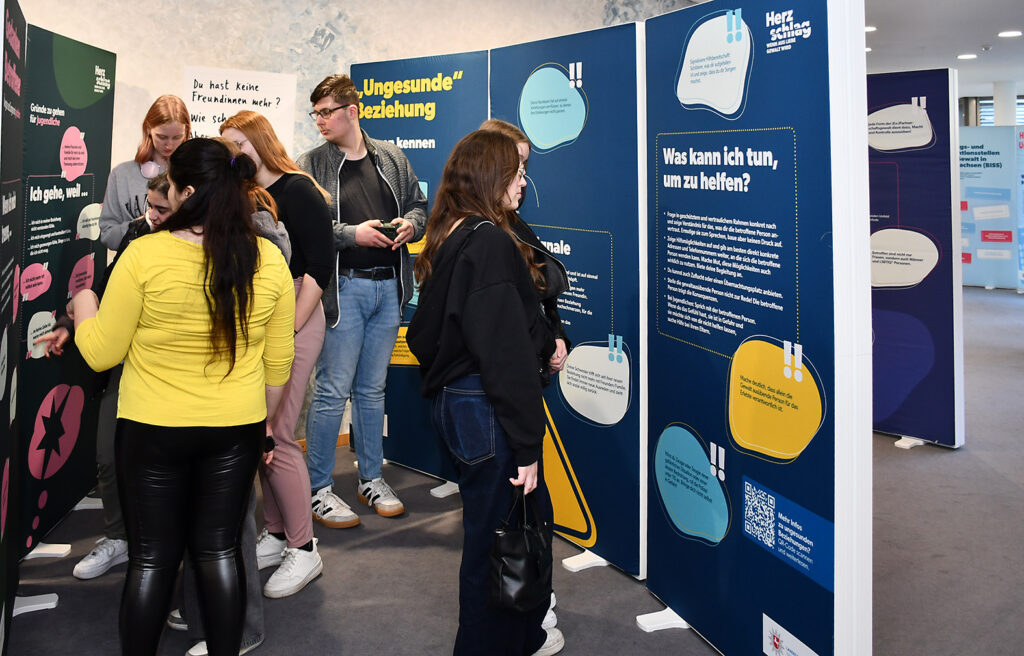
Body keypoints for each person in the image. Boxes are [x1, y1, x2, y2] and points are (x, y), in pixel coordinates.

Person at [73, 138, 295, 656]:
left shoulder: (145, 255)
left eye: (171, 184)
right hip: (235, 430)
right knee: (219, 553)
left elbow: (101, 353)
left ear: (188, 192)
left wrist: (84, 302)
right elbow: (278, 365)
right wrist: (263, 426)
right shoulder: (268, 259)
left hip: (151, 430)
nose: (166, 193)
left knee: (152, 560)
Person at [406, 130, 564, 656]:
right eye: (516, 174)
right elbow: (505, 355)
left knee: (493, 537)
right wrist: (526, 445)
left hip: (460, 403)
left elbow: (427, 335)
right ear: (491, 177)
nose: (523, 184)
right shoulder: (491, 242)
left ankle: (522, 637)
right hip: (487, 411)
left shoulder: (452, 231)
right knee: (498, 546)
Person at [297, 74, 427, 523]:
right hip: (343, 290)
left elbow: (419, 206)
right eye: (315, 113)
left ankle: (371, 478)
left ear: (352, 111)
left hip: (389, 288)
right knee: (332, 390)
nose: (319, 121)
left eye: (326, 112)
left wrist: (411, 225)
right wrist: (354, 234)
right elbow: (304, 228)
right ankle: (318, 488)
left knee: (372, 390)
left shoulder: (390, 156)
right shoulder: (310, 164)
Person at [34, 174, 175, 581]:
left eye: (162, 209)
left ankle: (163, 547)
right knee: (108, 455)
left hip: (174, 375)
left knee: (167, 467)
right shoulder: (138, 232)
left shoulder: (205, 245)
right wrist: (70, 322)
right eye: (149, 206)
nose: (152, 215)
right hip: (124, 362)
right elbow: (104, 286)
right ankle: (117, 537)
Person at [221, 110, 334, 598]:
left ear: (261, 142)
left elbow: (319, 267)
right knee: (261, 435)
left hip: (296, 316)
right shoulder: (245, 194)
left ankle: (304, 549)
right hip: (266, 320)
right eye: (227, 146)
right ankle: (276, 530)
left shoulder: (298, 190)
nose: (234, 154)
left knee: (278, 434)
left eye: (239, 144)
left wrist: (286, 329)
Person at [479, 119, 571, 377]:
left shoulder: (516, 225)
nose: (523, 178)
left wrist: (556, 335)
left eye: (524, 165)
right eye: (516, 163)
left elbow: (541, 294)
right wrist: (547, 343)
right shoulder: (481, 234)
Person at [99, 94, 190, 250]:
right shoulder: (121, 175)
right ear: (148, 129)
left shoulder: (195, 174)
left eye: (177, 137)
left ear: (186, 132)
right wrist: (143, 224)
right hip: (134, 261)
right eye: (162, 137)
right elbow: (108, 236)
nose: (169, 145)